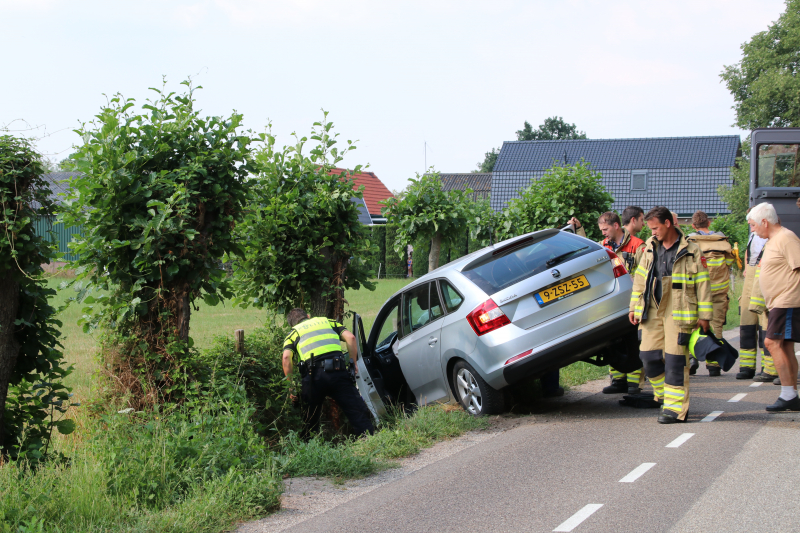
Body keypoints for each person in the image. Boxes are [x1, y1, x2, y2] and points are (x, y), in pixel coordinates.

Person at [629, 206, 712, 424]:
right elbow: (639, 279)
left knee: (675, 360)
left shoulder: (692, 250)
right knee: (648, 356)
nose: (652, 232)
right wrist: (633, 307)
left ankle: (675, 410)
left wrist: (704, 315)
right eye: (650, 228)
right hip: (651, 308)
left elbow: (703, 285)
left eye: (655, 228)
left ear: (668, 224)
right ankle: (666, 397)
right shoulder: (648, 247)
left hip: (679, 309)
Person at [571, 212, 646, 394]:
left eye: (605, 229)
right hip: (612, 301)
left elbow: (645, 274)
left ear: (616, 226)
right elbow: (586, 253)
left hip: (632, 300)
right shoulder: (604, 246)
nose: (603, 233)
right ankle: (618, 380)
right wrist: (578, 229)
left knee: (633, 342)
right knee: (612, 341)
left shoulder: (638, 245)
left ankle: (635, 384)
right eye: (601, 230)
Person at [282, 308, 375, 437]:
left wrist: (290, 385)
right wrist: (353, 363)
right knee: (356, 410)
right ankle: (369, 439)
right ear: (308, 316)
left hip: (312, 377)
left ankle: (310, 449)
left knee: (310, 418)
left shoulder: (294, 332)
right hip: (338, 372)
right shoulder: (328, 322)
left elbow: (286, 358)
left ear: (292, 324)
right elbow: (351, 338)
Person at [747, 203, 800, 411]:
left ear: (764, 222)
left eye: (752, 225)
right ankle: (792, 394)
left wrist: (788, 295)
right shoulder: (773, 240)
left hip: (786, 301)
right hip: (779, 302)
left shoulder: (786, 238)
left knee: (771, 343)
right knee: (785, 346)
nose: (752, 229)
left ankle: (788, 394)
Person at [687, 210, 735, 377]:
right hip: (719, 291)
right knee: (717, 326)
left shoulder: (690, 241)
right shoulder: (722, 240)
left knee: (694, 326)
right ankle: (714, 365)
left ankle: (693, 357)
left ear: (693, 225)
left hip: (698, 292)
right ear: (709, 223)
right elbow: (729, 263)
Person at [736, 215, 775, 381]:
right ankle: (747, 366)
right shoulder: (754, 235)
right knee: (747, 327)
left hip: (763, 283)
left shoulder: (771, 238)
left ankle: (770, 368)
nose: (751, 228)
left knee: (765, 327)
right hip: (749, 283)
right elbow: (749, 255)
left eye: (752, 224)